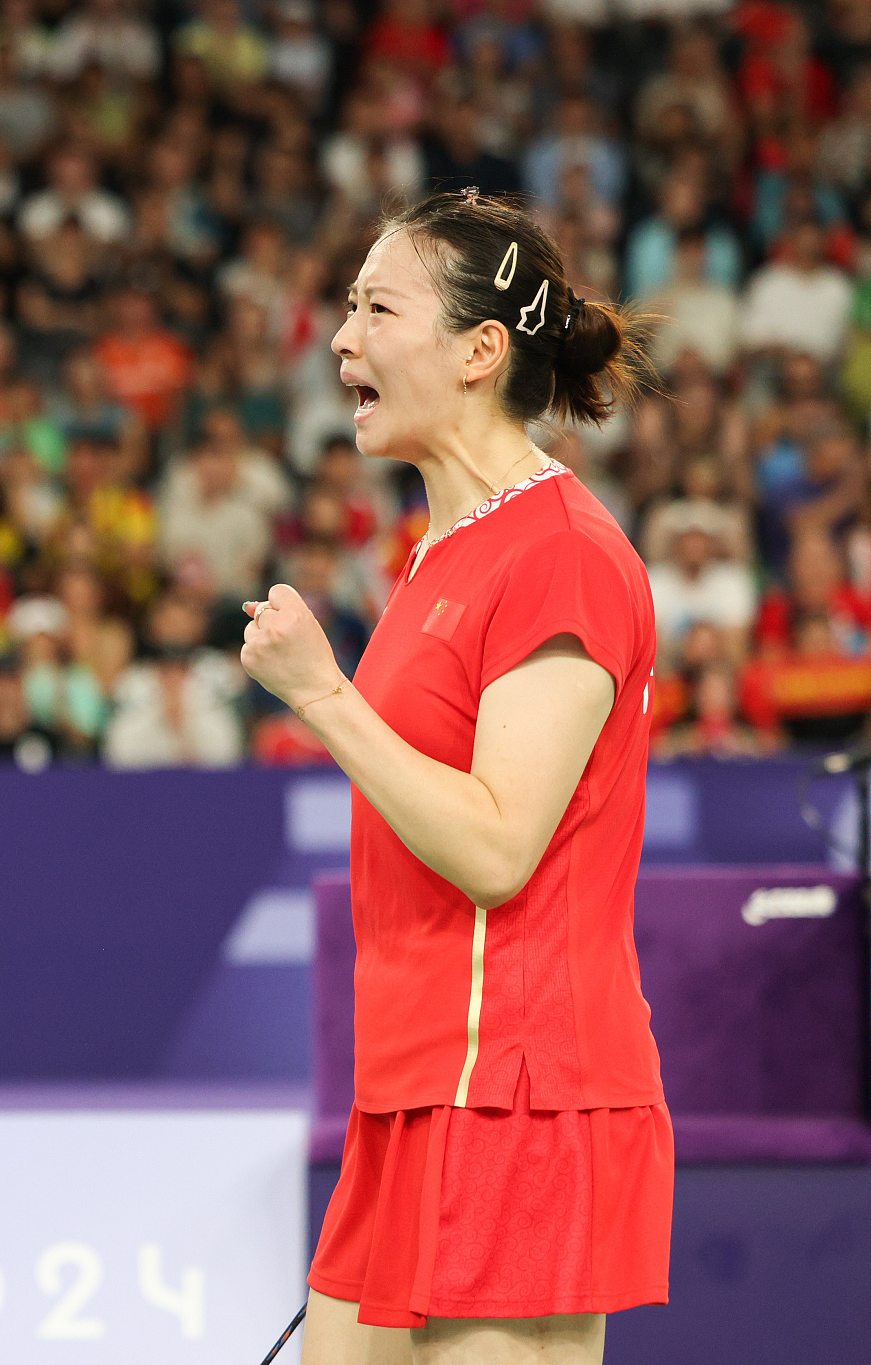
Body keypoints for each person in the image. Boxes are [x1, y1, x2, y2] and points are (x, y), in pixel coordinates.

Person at [241, 192, 670, 1362]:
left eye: (375, 308)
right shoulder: (447, 551)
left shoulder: (560, 560)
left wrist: (321, 699)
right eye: (344, 308)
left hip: (514, 1091)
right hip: (415, 1082)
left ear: (481, 351)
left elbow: (493, 847)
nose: (341, 340)